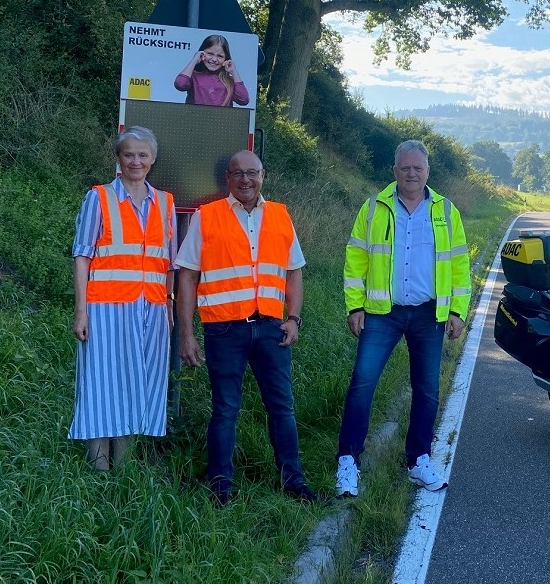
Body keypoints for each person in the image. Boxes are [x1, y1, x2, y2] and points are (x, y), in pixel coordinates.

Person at [175, 150, 318, 505]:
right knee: (225, 409)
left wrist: (294, 318)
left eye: (252, 173)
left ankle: (293, 482)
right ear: (228, 178)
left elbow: (294, 271)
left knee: (282, 407)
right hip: (224, 330)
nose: (245, 180)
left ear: (263, 176)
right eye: (238, 173)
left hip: (271, 328)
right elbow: (187, 277)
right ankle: (220, 487)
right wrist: (187, 334)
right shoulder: (206, 217)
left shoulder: (281, 216)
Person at [335, 140, 471, 498]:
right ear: (394, 171)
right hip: (382, 314)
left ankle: (419, 460)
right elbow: (356, 260)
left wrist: (458, 311)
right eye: (405, 168)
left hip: (429, 315)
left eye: (418, 168)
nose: (412, 173)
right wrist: (355, 306)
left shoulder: (445, 210)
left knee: (427, 390)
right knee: (362, 385)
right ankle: (348, 461)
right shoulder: (373, 208)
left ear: (428, 171)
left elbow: (459, 265)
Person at [69, 126, 175, 470]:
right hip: (105, 308)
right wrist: (81, 311)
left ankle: (123, 473)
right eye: (128, 154)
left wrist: (170, 306)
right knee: (101, 387)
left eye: (142, 155)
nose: (135, 161)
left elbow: (169, 262)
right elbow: (82, 255)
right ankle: (99, 474)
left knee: (136, 386)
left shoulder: (165, 203)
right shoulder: (98, 198)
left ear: (152, 160)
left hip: (152, 311)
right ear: (118, 158)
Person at [174, 34, 250, 107]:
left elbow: (243, 100)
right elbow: (180, 84)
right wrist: (194, 60)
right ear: (202, 53)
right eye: (210, 54)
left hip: (221, 120)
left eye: (220, 56)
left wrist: (234, 72)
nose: (214, 59)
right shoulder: (194, 76)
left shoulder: (229, 81)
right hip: (195, 119)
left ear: (226, 59)